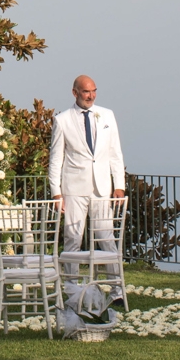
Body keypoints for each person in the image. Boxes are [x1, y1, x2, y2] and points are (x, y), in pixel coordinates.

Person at [47, 75, 127, 305]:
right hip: (74, 188)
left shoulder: (107, 115)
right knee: (73, 237)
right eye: (85, 92)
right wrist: (56, 193)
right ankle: (72, 288)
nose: (90, 96)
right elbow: (56, 159)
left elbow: (115, 153)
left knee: (106, 238)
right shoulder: (62, 120)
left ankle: (116, 290)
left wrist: (119, 185)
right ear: (75, 93)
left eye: (93, 91)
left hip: (102, 189)